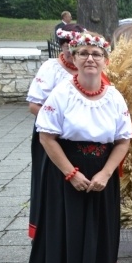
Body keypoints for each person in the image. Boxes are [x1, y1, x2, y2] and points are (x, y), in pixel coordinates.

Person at [27, 31, 131, 263]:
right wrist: (71, 174)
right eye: (83, 53)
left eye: (96, 54)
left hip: (102, 171)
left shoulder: (114, 97)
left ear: (105, 61)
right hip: (66, 170)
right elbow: (46, 137)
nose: (90, 59)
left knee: (102, 230)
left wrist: (106, 174)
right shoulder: (61, 94)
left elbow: (123, 141)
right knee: (69, 228)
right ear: (73, 57)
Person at [26, 23, 85, 238]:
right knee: (53, 185)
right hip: (53, 135)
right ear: (61, 46)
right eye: (67, 45)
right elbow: (34, 106)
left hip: (81, 138)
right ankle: (52, 229)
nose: (71, 50)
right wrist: (61, 129)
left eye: (75, 45)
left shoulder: (88, 66)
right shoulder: (52, 68)